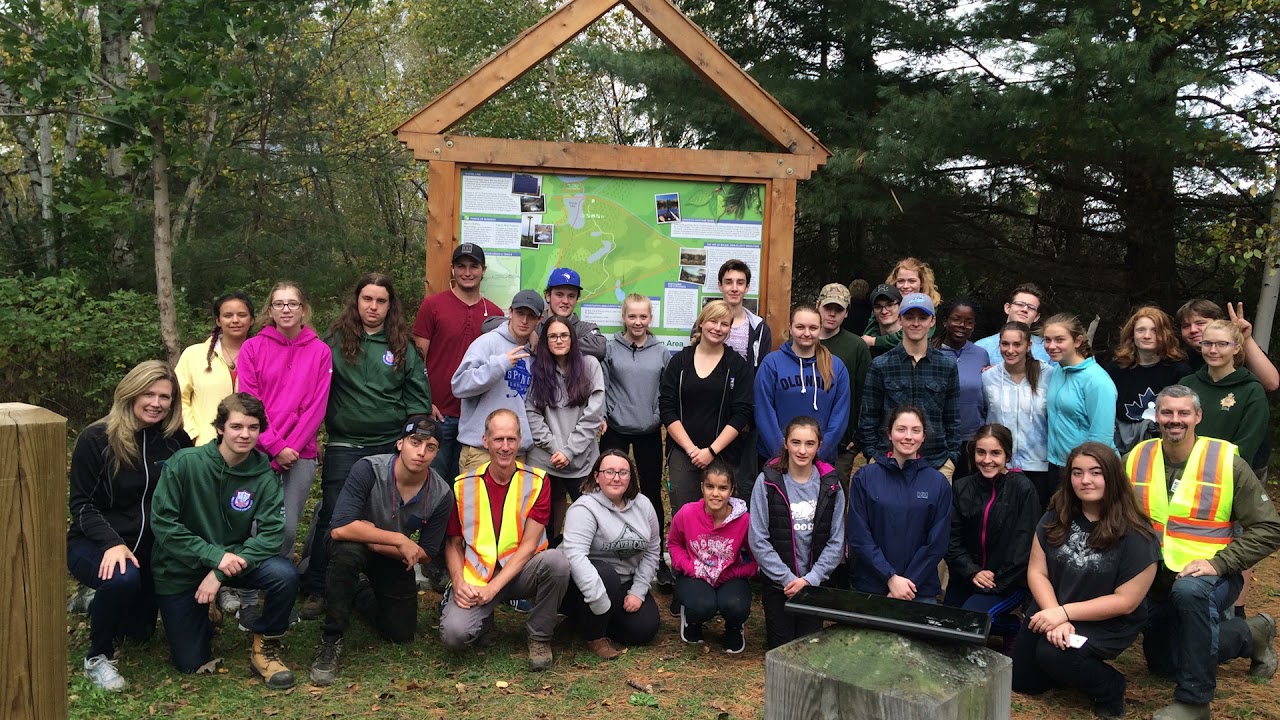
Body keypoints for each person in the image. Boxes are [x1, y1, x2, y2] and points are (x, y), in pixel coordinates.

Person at [1126, 385, 1280, 720]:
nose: (1174, 420)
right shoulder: (1136, 458)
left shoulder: (1227, 462)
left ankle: (1195, 702)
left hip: (1212, 577)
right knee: (1166, 664)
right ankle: (1250, 633)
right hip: (1158, 578)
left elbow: (1269, 528)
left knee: (1191, 592)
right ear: (1157, 416)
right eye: (1167, 412)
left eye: (1184, 413)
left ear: (1198, 416)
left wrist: (1220, 563)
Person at [299, 273, 432, 620]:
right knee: (332, 513)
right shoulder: (334, 342)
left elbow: (418, 401)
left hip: (388, 446)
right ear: (356, 302)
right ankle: (317, 587)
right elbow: (313, 391)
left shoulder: (403, 346)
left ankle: (372, 582)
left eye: (381, 301)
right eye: (367, 299)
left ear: (391, 306)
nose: (373, 307)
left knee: (381, 516)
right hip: (345, 443)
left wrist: (408, 442)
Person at [150, 393, 299, 688]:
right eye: (236, 427)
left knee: (283, 574)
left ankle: (265, 646)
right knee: (191, 662)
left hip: (232, 562)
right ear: (220, 428)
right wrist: (214, 557)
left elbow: (271, 535)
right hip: (179, 567)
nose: (245, 434)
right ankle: (206, 613)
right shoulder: (184, 463)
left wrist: (219, 571)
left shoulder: (264, 475)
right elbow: (164, 525)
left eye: (253, 428)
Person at [67, 360, 192, 690]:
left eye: (164, 396)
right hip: (94, 542)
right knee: (122, 579)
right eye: (148, 394)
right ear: (130, 393)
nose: (156, 403)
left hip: (151, 550)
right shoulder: (96, 438)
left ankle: (98, 601)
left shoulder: (176, 440)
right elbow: (82, 506)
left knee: (140, 633)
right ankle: (97, 658)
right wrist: (112, 543)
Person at [1012, 442, 1160, 719]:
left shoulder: (1137, 534)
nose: (1085, 480)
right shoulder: (1055, 517)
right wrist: (1055, 613)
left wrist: (1064, 614)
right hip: (1051, 608)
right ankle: (1070, 668)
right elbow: (1037, 572)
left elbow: (1125, 601)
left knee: (1054, 653)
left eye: (1095, 472)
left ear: (1112, 477)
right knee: (1023, 681)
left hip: (1104, 622)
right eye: (1077, 473)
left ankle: (1110, 687)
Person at [308, 416, 454, 686]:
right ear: (400, 444)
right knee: (348, 552)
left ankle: (356, 591)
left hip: (390, 557)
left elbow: (427, 552)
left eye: (431, 447)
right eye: (415, 443)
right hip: (350, 547)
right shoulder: (369, 469)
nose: (421, 452)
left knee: (401, 632)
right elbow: (340, 529)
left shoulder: (441, 493)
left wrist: (378, 542)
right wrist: (398, 539)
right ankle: (331, 640)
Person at [440, 409, 571, 671]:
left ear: (520, 441)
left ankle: (540, 636)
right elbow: (453, 544)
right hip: (478, 577)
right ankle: (475, 615)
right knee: (454, 636)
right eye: (498, 439)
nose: (505, 447)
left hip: (522, 572)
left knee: (557, 562)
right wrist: (458, 581)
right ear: (485, 441)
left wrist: (494, 589)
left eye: (511, 439)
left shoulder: (537, 481)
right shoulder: (462, 485)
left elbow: (529, 546)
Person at [236, 282, 331, 623]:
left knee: (287, 529)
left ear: (304, 308)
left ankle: (279, 595)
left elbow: (316, 406)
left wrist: (291, 448)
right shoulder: (252, 348)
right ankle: (247, 595)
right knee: (252, 524)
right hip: (258, 451)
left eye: (293, 303)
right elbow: (248, 402)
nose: (286, 309)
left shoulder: (320, 351)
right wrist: (275, 446)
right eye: (279, 304)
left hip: (301, 454)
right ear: (270, 310)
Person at [749, 416, 846, 649]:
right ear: (785, 443)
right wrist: (788, 579)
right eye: (796, 442)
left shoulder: (832, 485)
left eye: (809, 443)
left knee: (808, 648)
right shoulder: (767, 482)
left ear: (819, 446)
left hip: (814, 585)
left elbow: (836, 541)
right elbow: (758, 539)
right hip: (779, 584)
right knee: (780, 648)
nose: (802, 450)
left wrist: (810, 580)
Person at [411, 243, 505, 480]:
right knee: (432, 485)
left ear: (483, 270)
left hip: (476, 420)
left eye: (474, 266)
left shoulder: (495, 314)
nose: (467, 272)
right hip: (438, 414)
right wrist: (424, 402)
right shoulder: (433, 306)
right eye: (461, 266)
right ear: (452, 269)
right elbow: (415, 361)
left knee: (467, 489)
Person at [559, 450, 661, 660]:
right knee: (607, 576)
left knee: (643, 630)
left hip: (625, 583)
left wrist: (638, 591)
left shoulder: (643, 505)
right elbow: (575, 556)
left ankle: (584, 619)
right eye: (609, 471)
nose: (616, 477)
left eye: (623, 472)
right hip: (585, 582)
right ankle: (595, 635)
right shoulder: (584, 508)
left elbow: (652, 550)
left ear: (630, 477)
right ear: (597, 476)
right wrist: (598, 599)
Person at [944, 424, 1039, 646]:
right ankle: (999, 621)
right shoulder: (961, 487)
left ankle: (1012, 625)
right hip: (968, 577)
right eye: (981, 452)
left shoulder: (1023, 489)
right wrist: (972, 572)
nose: (987, 460)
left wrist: (994, 581)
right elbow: (952, 539)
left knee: (968, 622)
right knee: (945, 624)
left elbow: (1023, 546)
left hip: (1006, 581)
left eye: (995, 453)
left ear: (1007, 454)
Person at [600, 294, 672, 585]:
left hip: (649, 431)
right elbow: (601, 386)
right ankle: (605, 552)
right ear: (624, 317)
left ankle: (657, 559)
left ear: (650, 319)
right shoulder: (609, 349)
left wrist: (657, 417)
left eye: (643, 317)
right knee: (608, 490)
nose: (638, 322)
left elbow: (666, 391)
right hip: (615, 429)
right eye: (632, 316)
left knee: (652, 494)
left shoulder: (661, 352)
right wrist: (605, 415)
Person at [846, 405, 952, 602]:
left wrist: (907, 583)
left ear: (924, 436)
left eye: (916, 430)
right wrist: (891, 578)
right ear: (889, 433)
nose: (908, 436)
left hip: (918, 590)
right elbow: (859, 535)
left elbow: (937, 542)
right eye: (901, 429)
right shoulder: (866, 478)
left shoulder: (937, 483)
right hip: (873, 587)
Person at [659, 300, 755, 514]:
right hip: (683, 454)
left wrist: (712, 451)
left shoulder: (737, 365)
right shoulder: (680, 362)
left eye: (724, 324)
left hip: (723, 455)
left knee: (720, 517)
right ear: (701, 323)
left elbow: (742, 413)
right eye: (713, 321)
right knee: (685, 515)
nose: (718, 328)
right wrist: (691, 450)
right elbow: (667, 407)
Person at [858, 292, 961, 480]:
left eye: (922, 317)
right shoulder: (881, 365)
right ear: (900, 319)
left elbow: (953, 419)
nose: (916, 323)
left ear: (932, 321)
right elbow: (868, 417)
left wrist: (951, 459)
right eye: (909, 317)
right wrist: (873, 456)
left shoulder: (947, 366)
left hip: (936, 464)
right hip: (888, 463)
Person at [525, 316, 606, 541]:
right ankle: (547, 559)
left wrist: (569, 451)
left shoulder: (590, 366)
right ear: (545, 341)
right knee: (543, 519)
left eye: (564, 335)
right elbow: (531, 412)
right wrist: (554, 448)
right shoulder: (536, 370)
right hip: (544, 459)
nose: (559, 340)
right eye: (553, 336)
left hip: (582, 459)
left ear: (572, 338)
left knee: (589, 515)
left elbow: (593, 415)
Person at [667, 460, 757, 653]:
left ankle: (734, 627)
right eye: (710, 487)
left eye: (722, 488)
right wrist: (689, 567)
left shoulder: (744, 521)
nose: (715, 494)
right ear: (702, 487)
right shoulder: (687, 513)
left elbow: (756, 556)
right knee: (702, 604)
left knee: (735, 605)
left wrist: (735, 572)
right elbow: (674, 543)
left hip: (728, 576)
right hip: (695, 575)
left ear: (731, 490)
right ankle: (693, 621)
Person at [451, 289, 544, 474]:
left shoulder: (534, 352)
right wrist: (500, 364)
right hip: (481, 451)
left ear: (539, 320)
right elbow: (459, 385)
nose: (524, 321)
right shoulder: (487, 343)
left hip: (518, 452)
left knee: (515, 504)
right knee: (475, 504)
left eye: (530, 316)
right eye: (520, 314)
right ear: (510, 312)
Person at [754, 304, 851, 469]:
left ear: (820, 329)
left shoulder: (836, 366)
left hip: (821, 460)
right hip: (776, 459)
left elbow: (840, 415)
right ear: (790, 328)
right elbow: (764, 411)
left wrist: (818, 454)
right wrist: (782, 455)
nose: (806, 333)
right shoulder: (772, 363)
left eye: (813, 327)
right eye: (800, 327)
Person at [982, 321, 1055, 506]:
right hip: (999, 465)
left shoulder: (1048, 375)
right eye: (1005, 344)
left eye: (1017, 344)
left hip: (1039, 465)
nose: (1010, 350)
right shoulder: (988, 377)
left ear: (1029, 345)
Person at [1178, 320, 1268, 465]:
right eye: (1207, 343)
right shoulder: (1186, 384)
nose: (1213, 350)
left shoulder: (1251, 390)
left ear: (1236, 348)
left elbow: (1247, 443)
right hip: (1185, 469)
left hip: (1228, 473)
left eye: (1222, 344)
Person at [1104, 306, 1191, 454]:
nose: (1147, 336)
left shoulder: (1179, 371)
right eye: (1141, 330)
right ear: (1132, 334)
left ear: (1165, 334)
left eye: (1154, 330)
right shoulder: (1116, 370)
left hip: (1165, 445)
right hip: (1122, 445)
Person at [1043, 313, 1117, 485]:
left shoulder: (1097, 381)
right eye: (1047, 340)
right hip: (1057, 464)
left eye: (1059, 340)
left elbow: (1102, 437)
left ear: (1077, 341)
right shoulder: (1058, 371)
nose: (1051, 346)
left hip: (1086, 471)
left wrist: (1087, 473)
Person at [175, 292, 253, 446]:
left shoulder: (263, 356)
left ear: (252, 320)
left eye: (242, 315)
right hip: (204, 448)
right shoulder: (194, 355)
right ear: (218, 320)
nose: (235, 320)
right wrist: (193, 435)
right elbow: (178, 398)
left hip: (251, 447)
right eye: (228, 315)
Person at [815, 283, 871, 487]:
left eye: (838, 310)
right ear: (818, 305)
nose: (832, 314)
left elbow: (865, 393)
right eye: (828, 308)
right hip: (804, 438)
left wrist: (857, 436)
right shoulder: (803, 340)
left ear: (846, 313)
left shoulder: (856, 346)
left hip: (841, 442)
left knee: (834, 497)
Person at [932, 297, 991, 477]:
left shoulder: (981, 354)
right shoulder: (931, 352)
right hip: (938, 438)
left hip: (972, 439)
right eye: (956, 319)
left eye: (968, 322)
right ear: (945, 321)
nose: (962, 325)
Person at [1177, 299, 1280, 392]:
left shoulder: (1236, 351)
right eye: (1186, 326)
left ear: (1219, 323)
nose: (1193, 330)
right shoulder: (1181, 360)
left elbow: (1271, 383)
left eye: (1200, 323)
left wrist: (1245, 339)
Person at [974, 283, 1053, 364]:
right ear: (1007, 308)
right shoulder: (982, 347)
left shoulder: (1048, 348)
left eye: (1031, 307)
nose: (1024, 309)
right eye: (1019, 304)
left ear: (1036, 317)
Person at [541, 267, 605, 360]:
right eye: (559, 295)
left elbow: (599, 348)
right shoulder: (535, 326)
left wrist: (551, 344)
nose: (565, 301)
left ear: (576, 299)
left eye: (571, 296)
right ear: (548, 296)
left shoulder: (585, 329)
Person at [717, 259, 771, 369]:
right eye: (728, 282)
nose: (734, 288)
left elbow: (762, 370)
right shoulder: (704, 323)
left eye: (740, 283)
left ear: (747, 287)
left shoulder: (759, 329)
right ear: (720, 286)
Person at [861, 283, 905, 356]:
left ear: (900, 306)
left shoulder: (915, 342)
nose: (884, 311)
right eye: (878, 307)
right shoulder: (867, 348)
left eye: (890, 305)